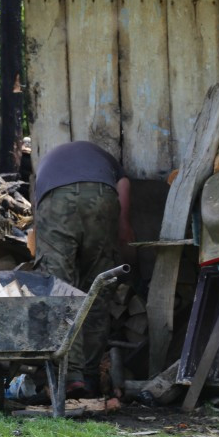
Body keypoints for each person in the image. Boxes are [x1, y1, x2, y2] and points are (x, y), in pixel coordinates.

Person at [32, 140, 135, 398]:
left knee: (59, 287)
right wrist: (132, 264)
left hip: (55, 201)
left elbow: (37, 222)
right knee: (98, 288)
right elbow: (124, 228)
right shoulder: (112, 167)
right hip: (103, 198)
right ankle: (89, 376)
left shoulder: (47, 165)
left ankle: (69, 376)